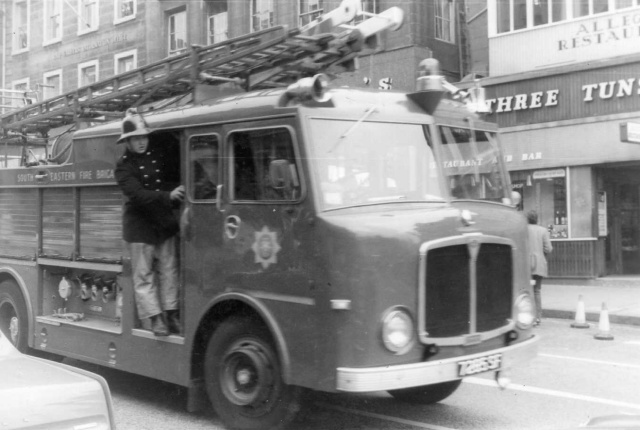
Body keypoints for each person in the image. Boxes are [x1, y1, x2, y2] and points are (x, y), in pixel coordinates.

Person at [114, 111, 184, 337]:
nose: (141, 141)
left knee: (170, 270)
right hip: (140, 226)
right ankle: (156, 319)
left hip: (164, 223)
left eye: (144, 137)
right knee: (144, 276)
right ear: (127, 141)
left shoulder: (158, 155)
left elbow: (173, 176)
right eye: (136, 138)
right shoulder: (123, 167)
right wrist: (168, 196)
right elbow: (137, 195)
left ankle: (172, 314)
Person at [527, 210, 553, 327]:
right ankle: (537, 318)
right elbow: (548, 249)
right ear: (536, 219)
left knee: (526, 291)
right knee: (537, 291)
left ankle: (528, 317)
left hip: (526, 266)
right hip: (538, 265)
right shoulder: (543, 231)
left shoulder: (524, 230)